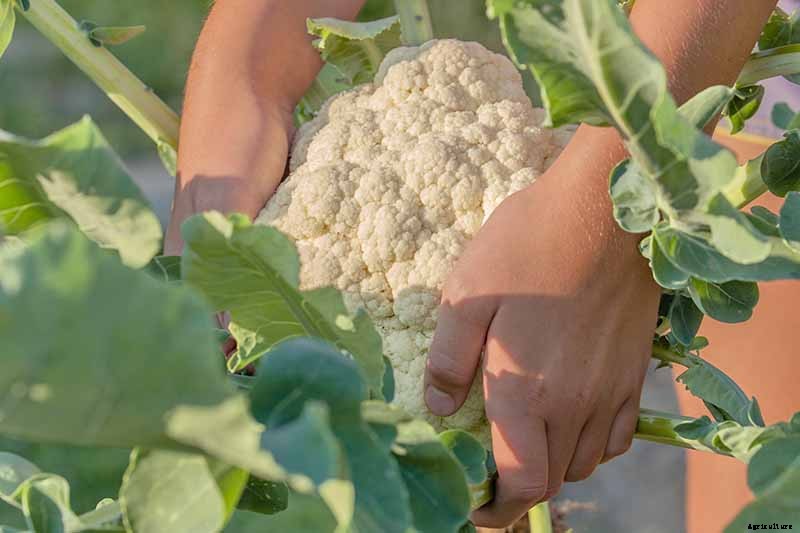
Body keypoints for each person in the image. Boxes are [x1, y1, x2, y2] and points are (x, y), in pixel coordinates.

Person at [165, 0, 778, 528]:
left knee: (774, 482)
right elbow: (249, 72)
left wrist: (607, 222)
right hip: (673, 83)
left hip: (717, 64)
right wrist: (242, 80)